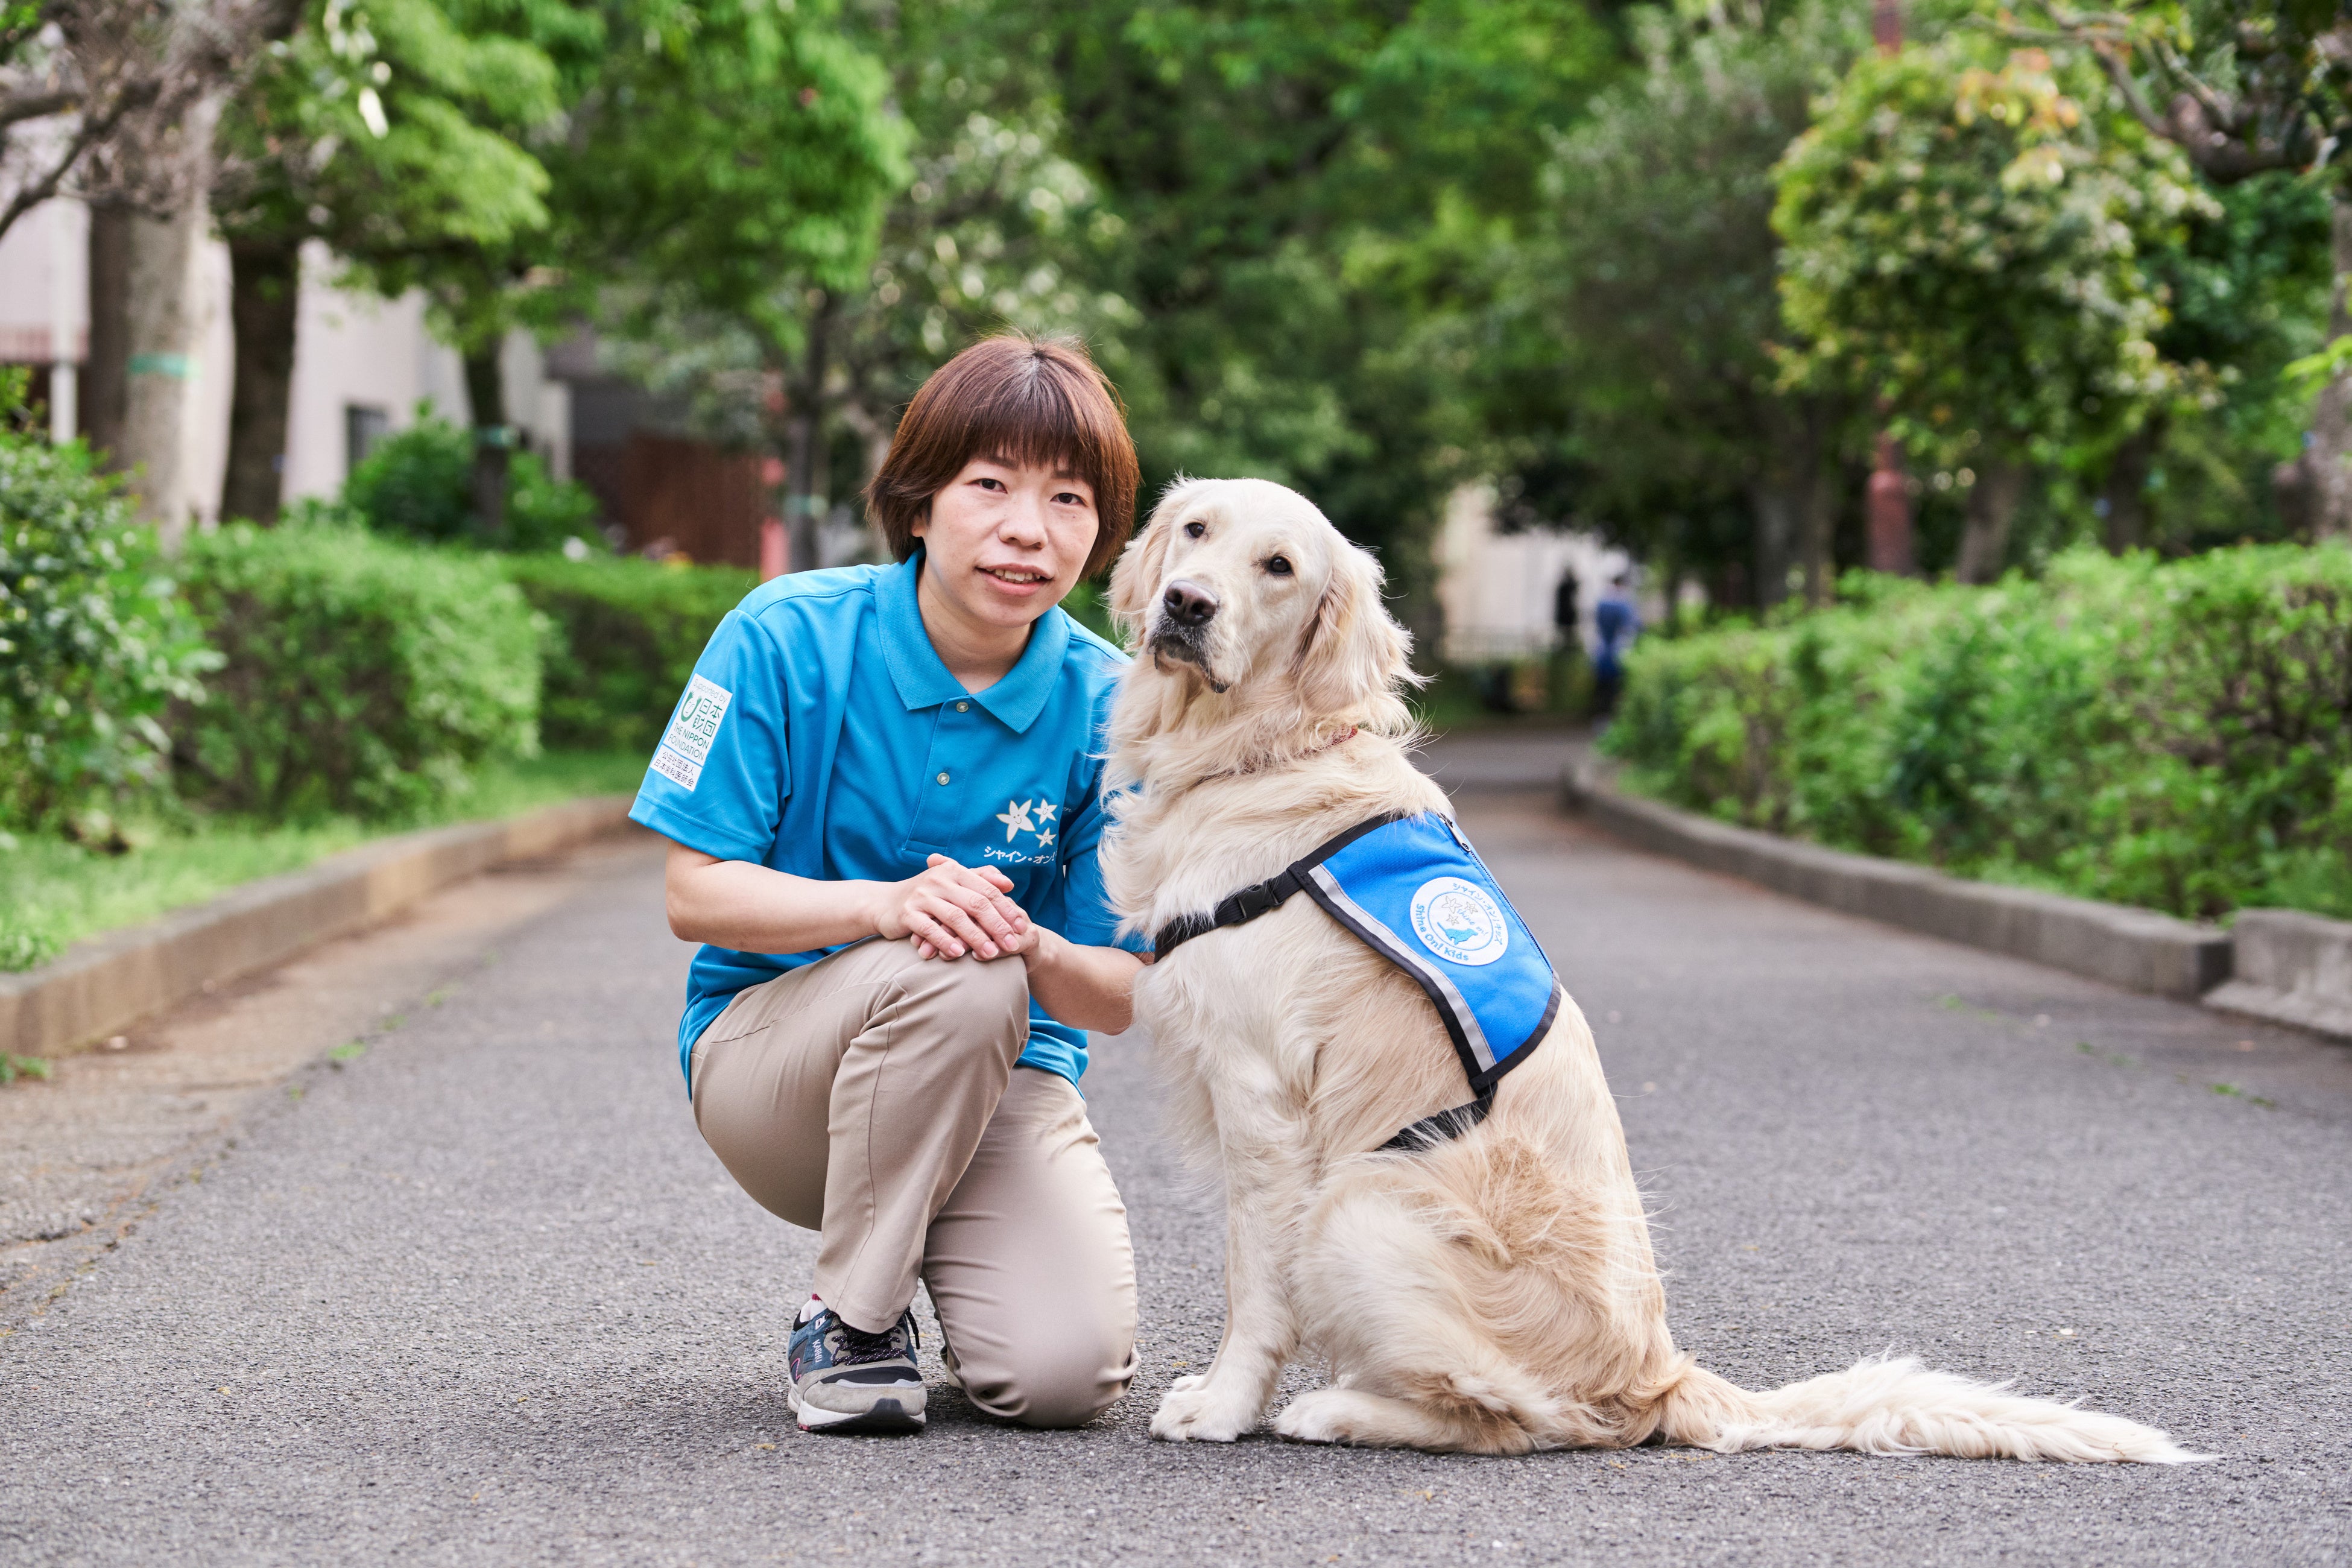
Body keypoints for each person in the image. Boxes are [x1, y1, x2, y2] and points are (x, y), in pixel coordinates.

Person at [630, 335, 1149, 1437]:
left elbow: (1121, 994)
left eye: (1069, 499)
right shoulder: (781, 636)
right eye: (990, 486)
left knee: (1068, 1378)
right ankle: (853, 1321)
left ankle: (938, 1254)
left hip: (1002, 1073)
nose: (1028, 529)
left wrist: (1033, 949)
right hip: (780, 1068)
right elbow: (694, 893)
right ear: (918, 506)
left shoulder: (1120, 714)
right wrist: (888, 907)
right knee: (951, 974)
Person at [1592, 571, 1640, 718]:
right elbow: (1632, 626)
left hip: (1602, 651)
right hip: (1619, 650)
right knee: (1617, 687)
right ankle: (1613, 716)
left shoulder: (1603, 601)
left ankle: (1601, 714)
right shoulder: (1624, 602)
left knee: (1602, 687)